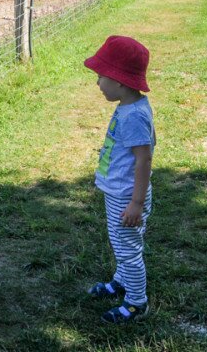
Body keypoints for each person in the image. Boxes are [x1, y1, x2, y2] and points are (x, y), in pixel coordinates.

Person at [84, 35, 155, 324]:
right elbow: (149, 143)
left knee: (128, 250)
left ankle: (137, 302)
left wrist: (136, 203)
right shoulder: (131, 107)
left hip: (127, 196)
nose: (97, 82)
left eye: (101, 76)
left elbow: (144, 158)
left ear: (120, 81)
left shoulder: (133, 115)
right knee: (121, 244)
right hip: (120, 193)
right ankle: (121, 282)